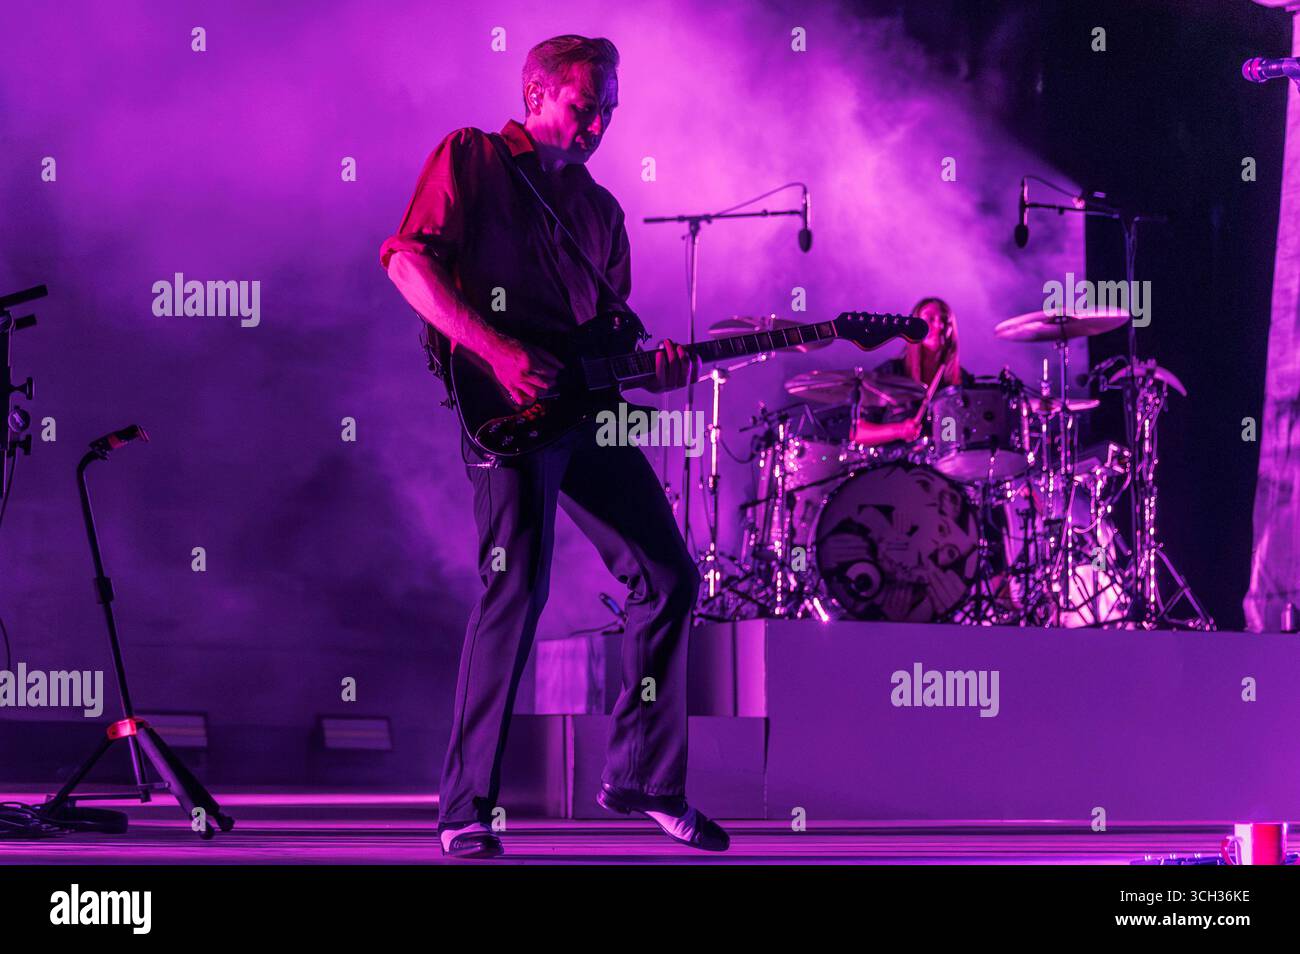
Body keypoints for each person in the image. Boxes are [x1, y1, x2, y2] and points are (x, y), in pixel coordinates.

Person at [381, 35, 729, 857]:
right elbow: (404, 264)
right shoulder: (473, 156)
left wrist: (661, 370)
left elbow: (610, 347)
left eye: (610, 109)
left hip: (583, 411)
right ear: (536, 93)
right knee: (517, 590)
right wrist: (500, 352)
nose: (601, 123)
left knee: (669, 575)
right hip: (500, 411)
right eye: (585, 105)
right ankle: (465, 809)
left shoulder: (603, 213)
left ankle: (640, 774)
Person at [849, 297, 974, 447]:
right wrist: (899, 430)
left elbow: (962, 435)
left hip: (942, 467)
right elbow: (857, 433)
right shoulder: (891, 372)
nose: (939, 325)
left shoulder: (962, 381)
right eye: (930, 319)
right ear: (915, 326)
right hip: (895, 466)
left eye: (945, 320)